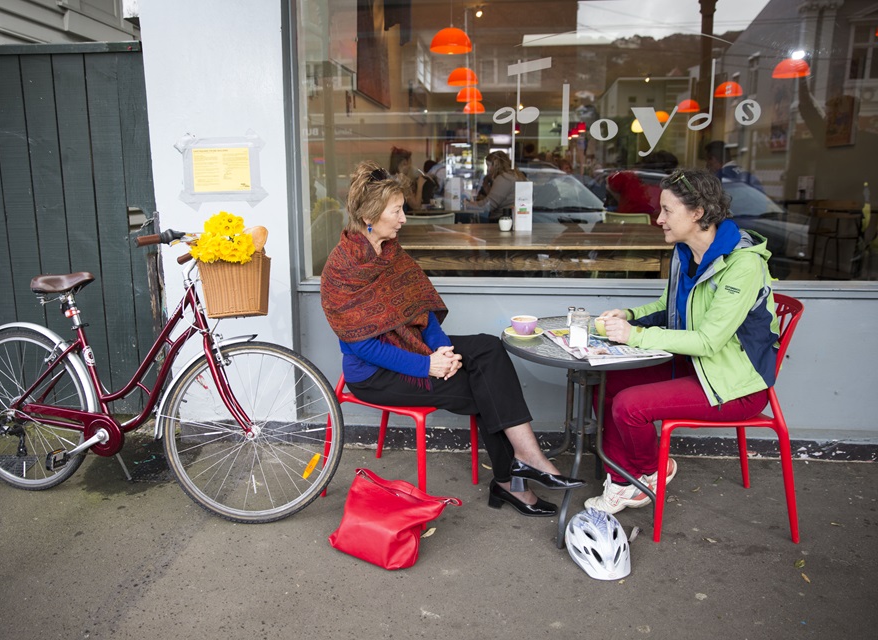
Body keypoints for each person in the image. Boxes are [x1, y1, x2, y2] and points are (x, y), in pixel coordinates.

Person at [321, 161, 584, 517]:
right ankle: (512, 481)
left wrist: (443, 350)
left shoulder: (392, 255)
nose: (403, 219)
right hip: (375, 376)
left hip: (420, 351)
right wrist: (428, 364)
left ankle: (525, 460)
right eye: (397, 211)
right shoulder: (341, 270)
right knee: (483, 389)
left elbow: (423, 312)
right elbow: (361, 345)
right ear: (370, 215)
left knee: (488, 348)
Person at [585, 168, 780, 514]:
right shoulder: (686, 252)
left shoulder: (742, 265)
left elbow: (708, 341)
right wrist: (628, 316)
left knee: (629, 406)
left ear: (697, 213)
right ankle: (622, 479)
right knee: (606, 381)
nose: (658, 219)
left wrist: (637, 336)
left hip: (734, 384)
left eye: (667, 211)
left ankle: (649, 473)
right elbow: (665, 307)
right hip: (692, 365)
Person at [464, 151, 527, 222]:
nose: (488, 169)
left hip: (501, 219)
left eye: (488, 165)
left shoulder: (504, 178)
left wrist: (467, 205)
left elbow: (489, 205)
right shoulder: (514, 175)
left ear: (496, 164)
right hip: (512, 218)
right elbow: (492, 199)